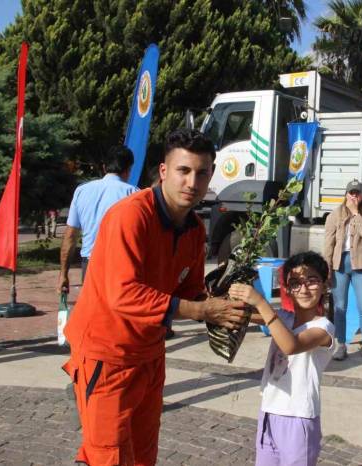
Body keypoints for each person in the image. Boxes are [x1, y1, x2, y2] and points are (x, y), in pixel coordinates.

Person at [62, 129, 247, 465]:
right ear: (164, 171)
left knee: (143, 454)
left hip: (149, 355)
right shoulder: (130, 216)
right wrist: (202, 311)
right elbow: (124, 293)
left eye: (202, 173)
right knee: (109, 455)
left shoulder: (194, 228)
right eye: (183, 170)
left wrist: (239, 308)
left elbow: (190, 289)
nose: (192, 182)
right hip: (108, 355)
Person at [228, 251, 335, 466]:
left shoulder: (324, 328)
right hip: (268, 412)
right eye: (295, 283)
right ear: (287, 289)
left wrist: (260, 301)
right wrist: (230, 288)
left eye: (312, 281)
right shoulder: (283, 318)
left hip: (299, 419)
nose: (304, 289)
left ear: (324, 286)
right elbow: (238, 313)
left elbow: (291, 345)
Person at [57, 145, 138, 293]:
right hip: (121, 267)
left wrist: (63, 274)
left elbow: (70, 236)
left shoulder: (81, 191)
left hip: (90, 266)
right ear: (129, 169)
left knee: (93, 313)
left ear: (104, 167)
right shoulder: (134, 195)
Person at [324, 179, 362, 361]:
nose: (354, 196)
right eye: (351, 192)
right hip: (340, 264)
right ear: (346, 194)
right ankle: (341, 344)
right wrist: (326, 268)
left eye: (357, 193)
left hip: (361, 265)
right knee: (340, 307)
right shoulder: (335, 214)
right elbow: (328, 242)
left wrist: (357, 213)